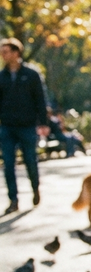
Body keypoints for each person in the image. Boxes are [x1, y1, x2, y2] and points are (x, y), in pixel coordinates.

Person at [0, 38, 50, 214]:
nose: (3, 54)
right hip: (7, 126)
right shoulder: (1, 76)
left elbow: (40, 100)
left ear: (16, 53)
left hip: (27, 126)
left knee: (30, 160)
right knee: (8, 163)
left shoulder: (31, 74)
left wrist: (43, 122)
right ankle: (13, 200)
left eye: (6, 51)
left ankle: (35, 188)